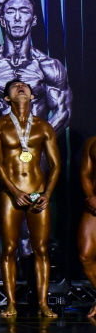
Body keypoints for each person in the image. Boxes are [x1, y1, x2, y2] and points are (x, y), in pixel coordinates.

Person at [0, 79, 61, 319]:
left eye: (25, 86)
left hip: (38, 192)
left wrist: (47, 193)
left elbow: (55, 165)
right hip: (10, 194)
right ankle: (11, 303)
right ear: (6, 98)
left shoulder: (43, 126)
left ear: (32, 96)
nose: (21, 87)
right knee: (9, 248)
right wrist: (14, 191)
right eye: (14, 86)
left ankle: (43, 303)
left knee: (41, 249)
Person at [0, 0, 70, 132]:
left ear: (33, 20)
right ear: (2, 21)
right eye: (11, 12)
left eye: (24, 11)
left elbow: (63, 113)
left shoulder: (49, 67)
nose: (17, 18)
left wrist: (37, 139)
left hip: (36, 142)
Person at [78, 131, 96, 321]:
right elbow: (85, 173)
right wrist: (91, 197)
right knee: (85, 256)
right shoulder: (92, 142)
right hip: (95, 204)